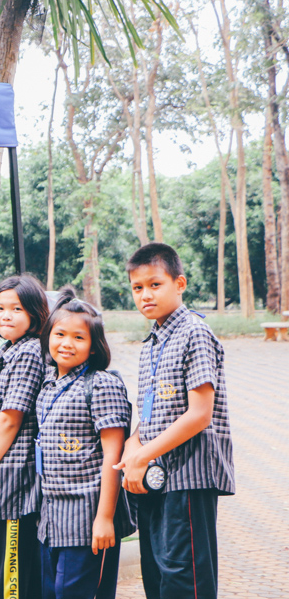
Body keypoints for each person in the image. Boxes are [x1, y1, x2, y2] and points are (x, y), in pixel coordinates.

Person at [116, 243, 235, 599]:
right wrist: (133, 445)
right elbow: (152, 412)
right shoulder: (152, 342)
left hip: (188, 476)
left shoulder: (194, 332)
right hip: (156, 477)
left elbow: (200, 415)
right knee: (158, 578)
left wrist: (140, 456)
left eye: (155, 285)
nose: (145, 295)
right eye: (138, 288)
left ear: (179, 283)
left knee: (186, 581)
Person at [37, 294, 134, 599]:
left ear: (94, 346)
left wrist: (104, 518)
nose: (67, 343)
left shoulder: (102, 384)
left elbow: (112, 457)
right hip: (51, 517)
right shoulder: (48, 384)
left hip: (87, 518)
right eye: (60, 334)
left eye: (78, 337)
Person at [0, 275, 50, 599]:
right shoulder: (7, 349)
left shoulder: (29, 351)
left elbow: (9, 419)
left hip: (14, 479)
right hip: (3, 472)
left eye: (16, 308)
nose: (5, 315)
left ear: (35, 313)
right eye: (0, 307)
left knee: (10, 571)